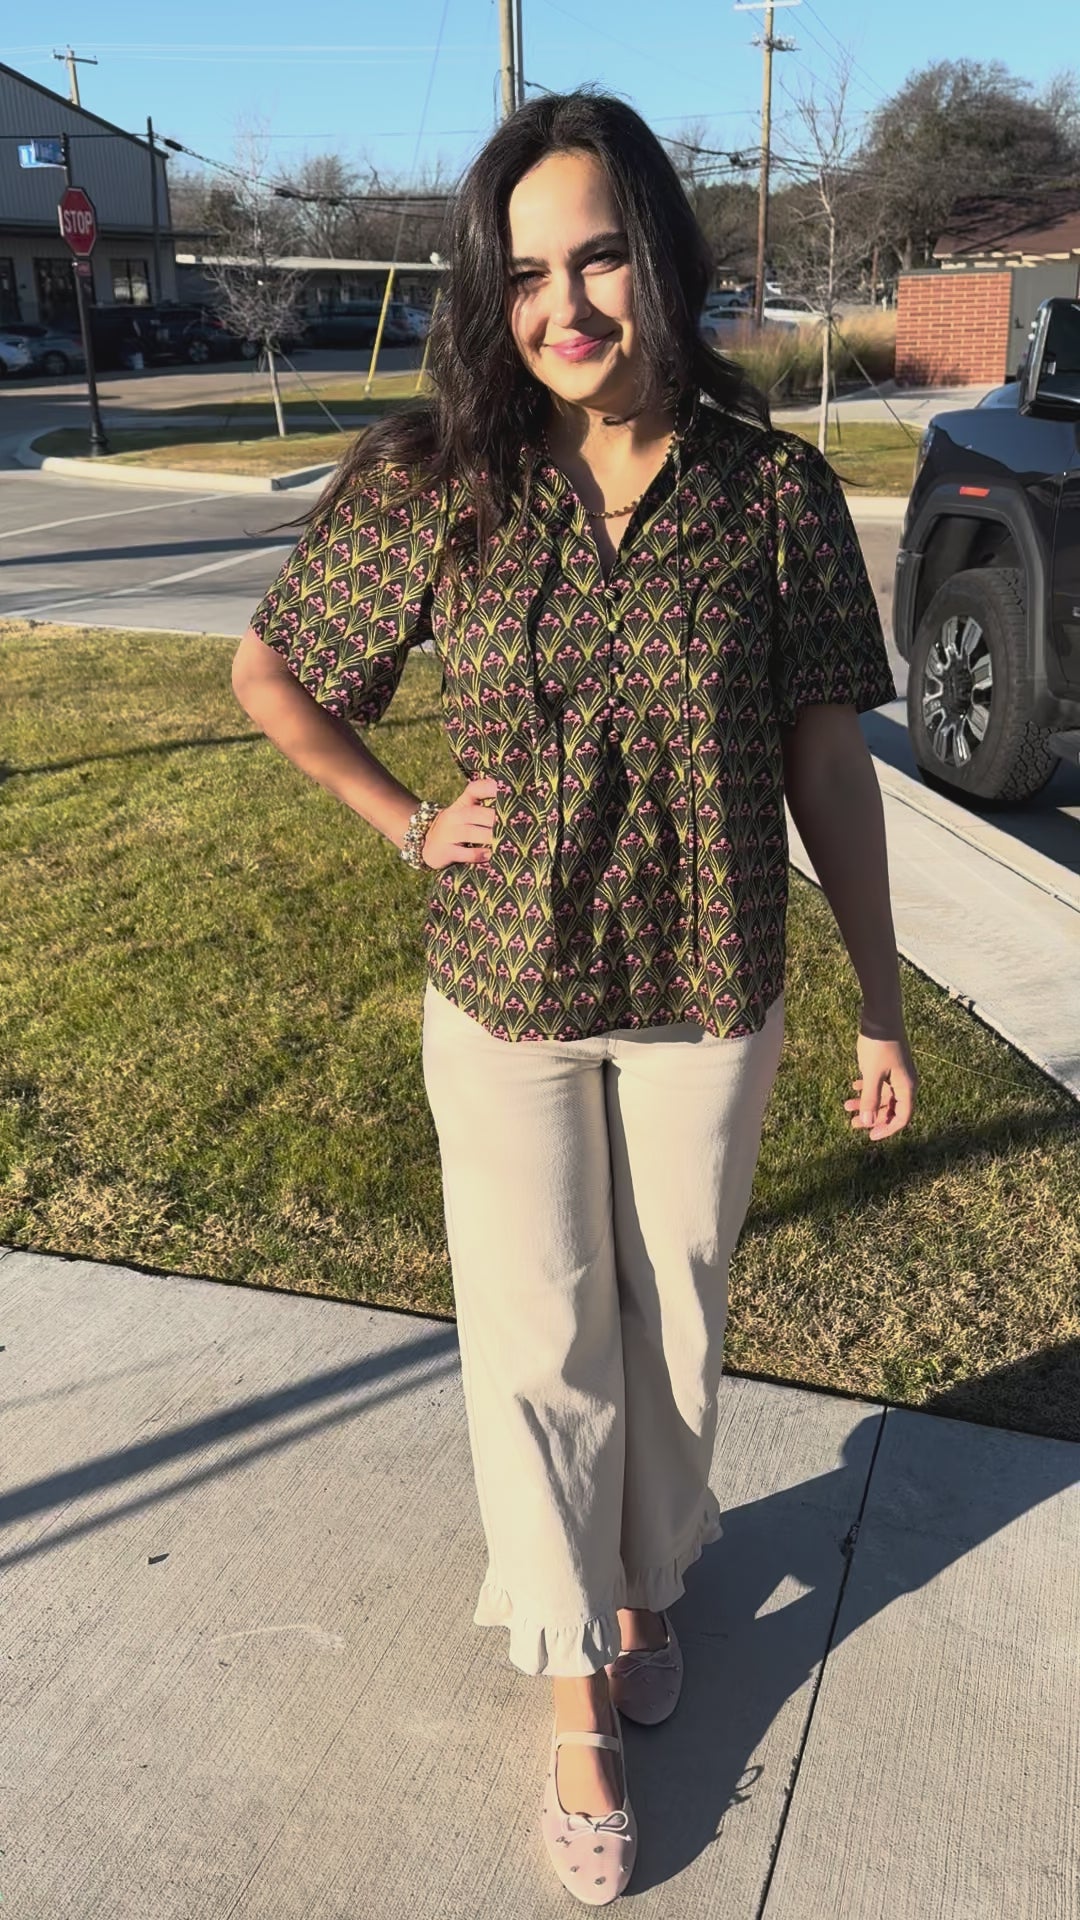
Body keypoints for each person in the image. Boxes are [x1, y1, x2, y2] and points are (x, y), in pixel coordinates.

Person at [230, 89, 917, 1907]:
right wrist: (401, 820)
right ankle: (571, 1694)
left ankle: (642, 1579)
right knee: (541, 1338)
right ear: (491, 295)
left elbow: (826, 755)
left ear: (663, 256)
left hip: (711, 983)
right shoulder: (444, 481)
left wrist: (879, 998)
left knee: (672, 1325)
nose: (567, 305)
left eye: (599, 253)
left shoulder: (769, 492)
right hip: (510, 986)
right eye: (527, 273)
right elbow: (274, 674)